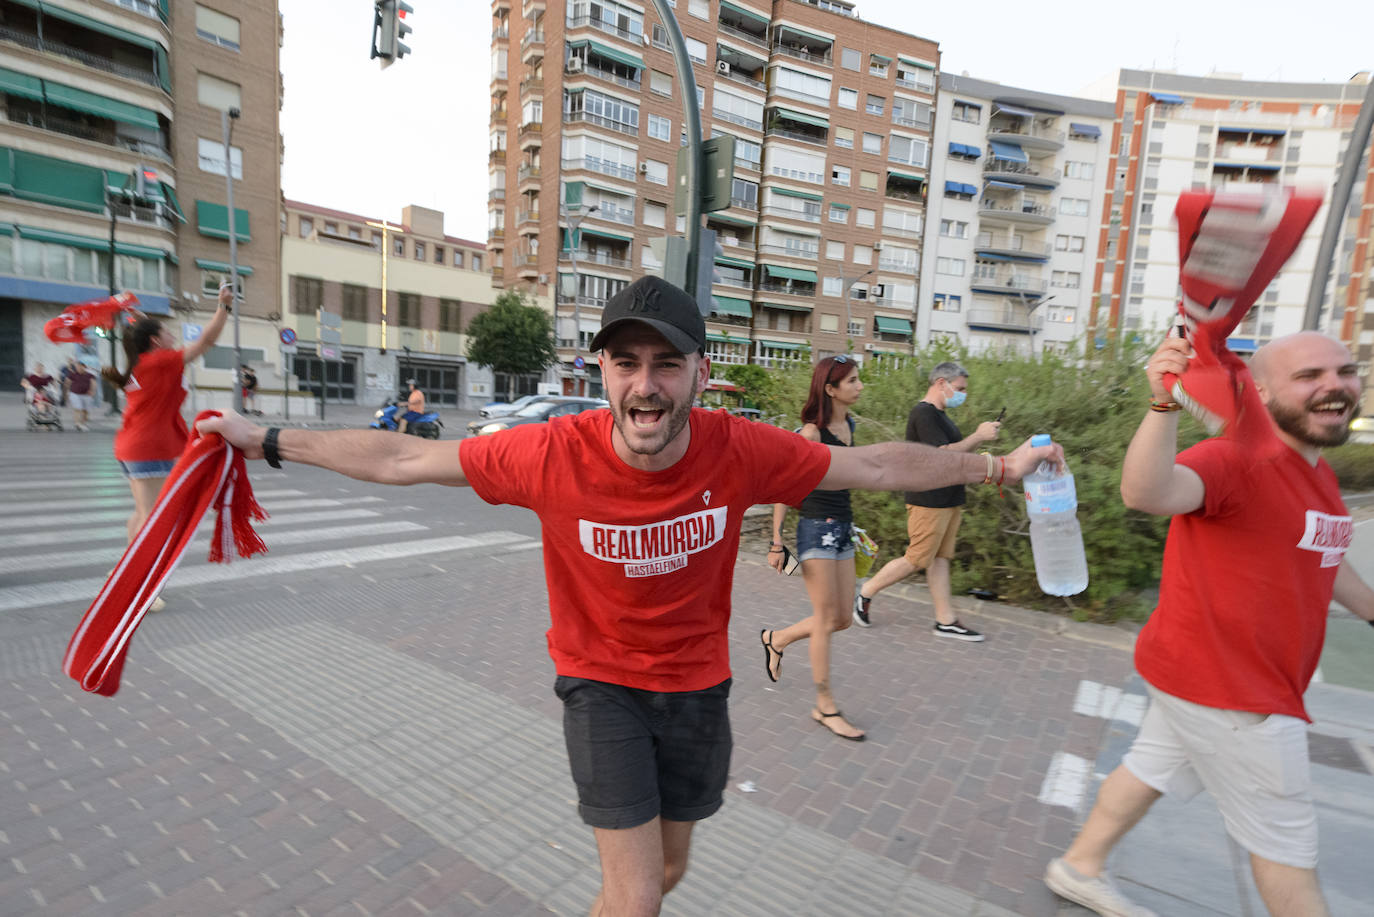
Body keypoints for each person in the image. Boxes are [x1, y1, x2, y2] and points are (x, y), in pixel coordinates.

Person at [199, 276, 1060, 917]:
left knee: (667, 874)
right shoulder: (549, 452)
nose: (644, 384)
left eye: (665, 364)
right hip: (600, 685)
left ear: (698, 370)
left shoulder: (740, 449)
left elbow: (874, 464)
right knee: (640, 897)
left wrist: (994, 464)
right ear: (601, 368)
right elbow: (399, 459)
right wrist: (263, 437)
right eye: (626, 363)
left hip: (696, 691)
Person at [1044, 331, 1374, 917]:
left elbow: (1327, 551)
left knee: (1148, 767)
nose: (1335, 385)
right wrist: (1163, 402)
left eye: (1345, 371)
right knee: (1286, 849)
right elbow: (1146, 491)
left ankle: (1078, 866)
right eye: (1309, 376)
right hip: (1236, 693)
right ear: (1262, 391)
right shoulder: (1235, 459)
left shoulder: (1317, 471)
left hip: (1189, 672)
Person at [103, 285, 232, 611]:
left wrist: (134, 311)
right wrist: (223, 307)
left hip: (134, 449)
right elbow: (206, 342)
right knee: (153, 521)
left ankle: (123, 572)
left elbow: (142, 331)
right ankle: (140, 590)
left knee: (141, 513)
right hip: (150, 451)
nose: (173, 334)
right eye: (166, 331)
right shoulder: (159, 362)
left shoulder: (141, 363)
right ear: (156, 341)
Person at [853, 362, 1001, 641]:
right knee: (918, 558)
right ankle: (866, 592)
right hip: (928, 499)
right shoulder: (924, 413)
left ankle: (945, 620)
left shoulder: (941, 415)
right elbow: (942, 456)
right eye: (960, 389)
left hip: (948, 498)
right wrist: (978, 436)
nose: (963, 394)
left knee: (940, 559)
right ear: (941, 382)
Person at [761, 355, 867, 741]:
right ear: (830, 389)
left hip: (842, 527)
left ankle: (778, 638)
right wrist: (777, 541)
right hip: (815, 530)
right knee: (825, 619)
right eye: (852, 380)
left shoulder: (850, 424)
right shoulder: (811, 434)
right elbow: (781, 489)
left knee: (842, 619)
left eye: (858, 379)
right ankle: (825, 706)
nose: (859, 386)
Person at [66, 360, 98, 431]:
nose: (78, 368)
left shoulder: (90, 375)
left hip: (86, 395)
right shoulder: (73, 374)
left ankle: (83, 423)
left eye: (79, 366)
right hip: (75, 393)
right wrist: (67, 392)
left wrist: (92, 391)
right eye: (77, 367)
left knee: (85, 410)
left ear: (84, 367)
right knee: (78, 408)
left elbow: (94, 383)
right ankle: (77, 423)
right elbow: (67, 382)